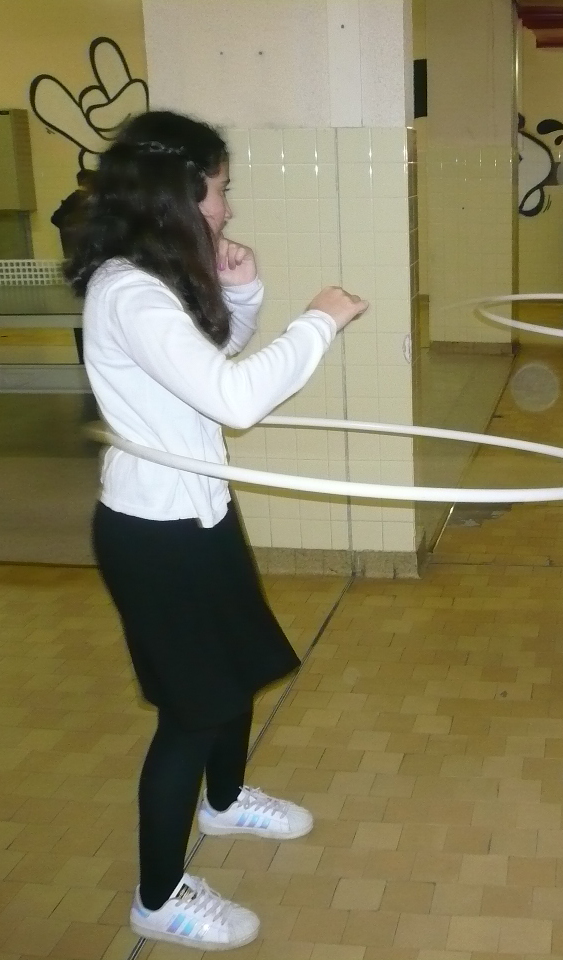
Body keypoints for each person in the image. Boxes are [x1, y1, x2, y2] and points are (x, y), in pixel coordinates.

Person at [67, 110, 368, 951]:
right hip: (155, 536)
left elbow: (205, 374)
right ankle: (157, 898)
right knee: (193, 714)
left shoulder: (151, 279)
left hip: (198, 512)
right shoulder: (129, 290)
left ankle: (226, 802)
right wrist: (318, 320)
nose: (227, 208)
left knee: (233, 672)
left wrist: (242, 293)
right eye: (220, 190)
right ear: (178, 193)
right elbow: (235, 399)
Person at [52, 169, 95, 363]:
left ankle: (83, 358)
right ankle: (85, 358)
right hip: (87, 264)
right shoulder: (88, 203)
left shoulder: (73, 202)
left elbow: (55, 219)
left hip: (77, 264)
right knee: (85, 314)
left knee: (80, 313)